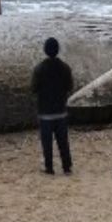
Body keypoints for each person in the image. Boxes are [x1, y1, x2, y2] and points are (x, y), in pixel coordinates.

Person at [31, 37, 73, 175]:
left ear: (45, 50)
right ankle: (66, 167)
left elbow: (33, 88)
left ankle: (49, 168)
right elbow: (70, 86)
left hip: (45, 113)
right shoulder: (65, 68)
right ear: (58, 50)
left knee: (47, 143)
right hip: (61, 111)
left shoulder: (39, 69)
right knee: (63, 142)